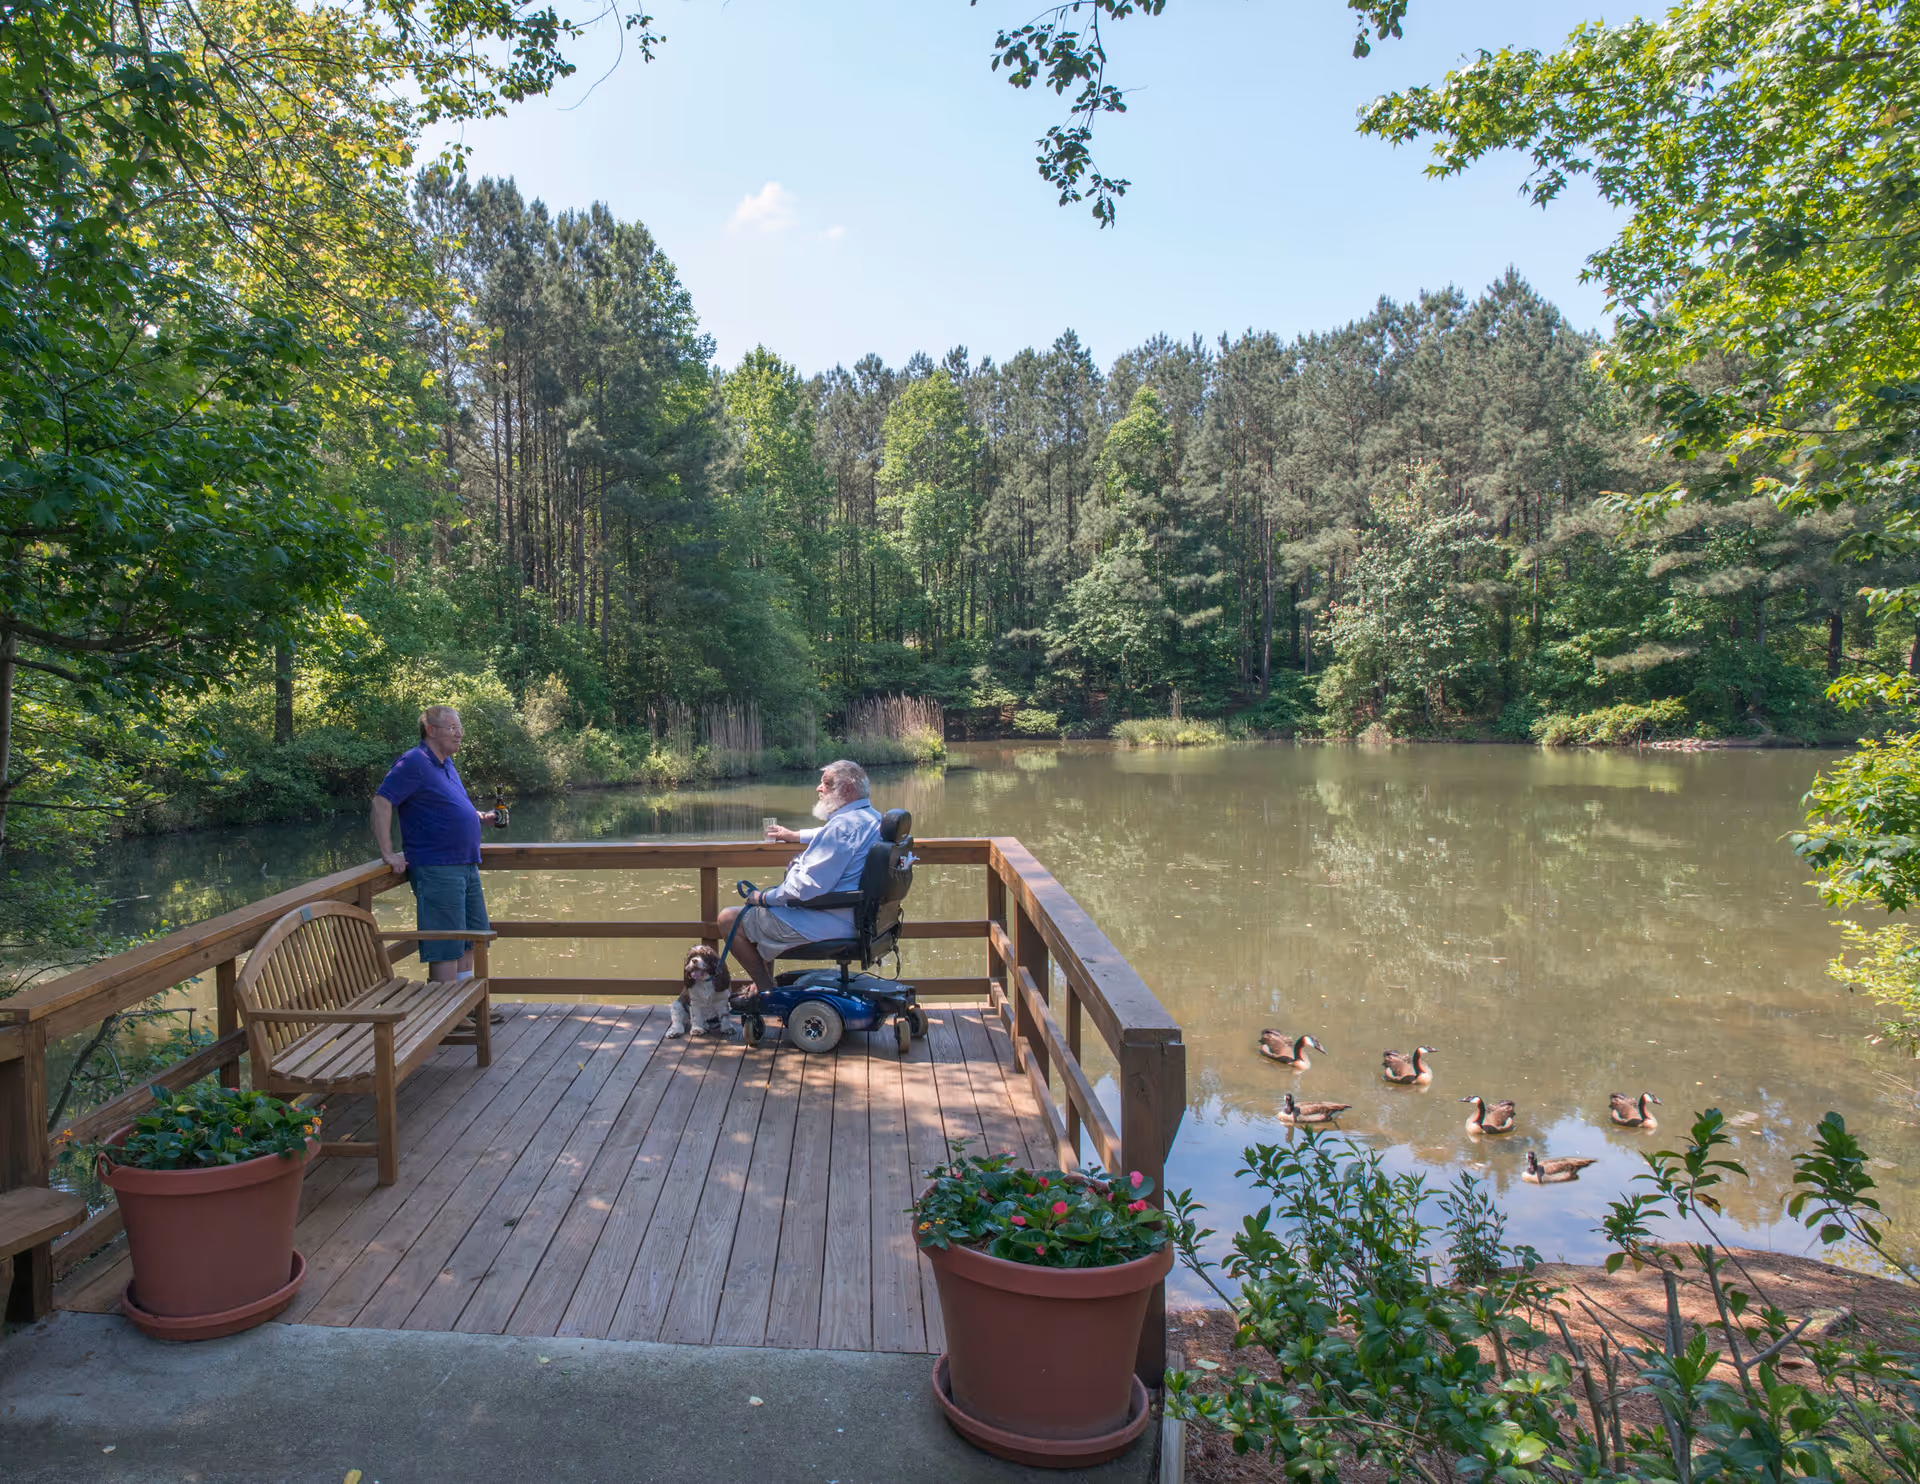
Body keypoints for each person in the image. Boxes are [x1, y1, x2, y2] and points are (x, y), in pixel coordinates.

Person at [717, 759, 882, 993]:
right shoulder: (872, 818)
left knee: (729, 919)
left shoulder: (842, 827)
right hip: (861, 919)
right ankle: (763, 986)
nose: (819, 788)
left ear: (847, 789)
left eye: (826, 783)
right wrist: (796, 835)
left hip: (830, 920)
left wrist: (765, 897)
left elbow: (805, 888)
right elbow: (834, 837)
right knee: (765, 913)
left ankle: (766, 993)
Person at [370, 705, 498, 983]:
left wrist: (480, 817)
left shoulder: (446, 764)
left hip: (466, 865)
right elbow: (381, 802)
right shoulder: (414, 762)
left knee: (469, 941)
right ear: (430, 730)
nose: (460, 734)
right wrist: (388, 853)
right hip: (437, 868)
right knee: (445, 946)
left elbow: (446, 805)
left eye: (460, 728)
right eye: (452, 728)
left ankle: (465, 1008)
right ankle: (448, 1019)